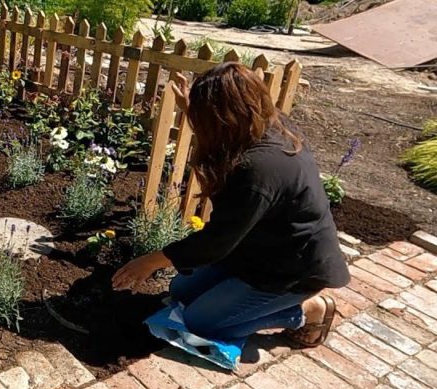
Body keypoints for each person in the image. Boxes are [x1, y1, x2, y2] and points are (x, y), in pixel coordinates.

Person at [112, 62, 349, 347]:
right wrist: (191, 108)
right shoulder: (265, 124)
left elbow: (216, 242)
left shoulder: (258, 169)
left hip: (292, 268)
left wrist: (149, 262)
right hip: (258, 250)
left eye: (203, 118)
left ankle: (308, 311)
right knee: (181, 291)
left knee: (202, 322)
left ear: (223, 118)